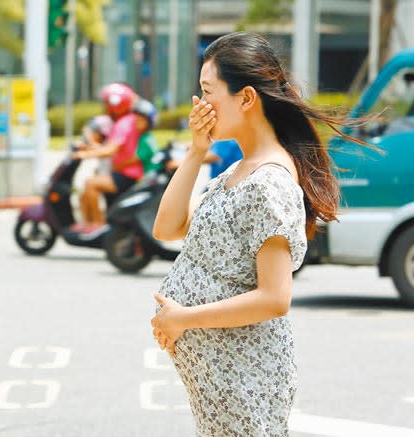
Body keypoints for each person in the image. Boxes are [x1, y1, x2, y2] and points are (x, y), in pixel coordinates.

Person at [150, 32, 362, 435]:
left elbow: (275, 297)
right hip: (221, 383)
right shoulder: (237, 172)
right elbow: (167, 226)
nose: (200, 104)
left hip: (246, 382)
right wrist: (196, 151)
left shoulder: (269, 183)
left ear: (246, 98)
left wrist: (183, 320)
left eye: (208, 91)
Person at [72, 83, 142, 234]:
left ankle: (99, 224)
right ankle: (87, 222)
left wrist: (85, 154)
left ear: (115, 105)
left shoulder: (125, 123)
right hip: (119, 171)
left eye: (106, 103)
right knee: (85, 192)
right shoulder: (122, 121)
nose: (105, 107)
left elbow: (110, 150)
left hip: (127, 174)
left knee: (91, 184)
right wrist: (88, 148)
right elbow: (106, 146)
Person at [132, 98, 163, 175]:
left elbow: (136, 158)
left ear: (149, 123)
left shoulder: (145, 139)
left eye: (140, 120)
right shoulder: (147, 136)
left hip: (153, 173)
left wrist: (119, 165)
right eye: (136, 119)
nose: (136, 122)